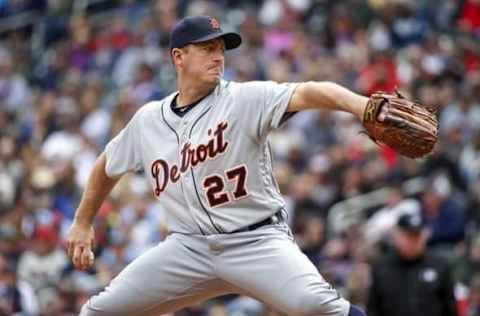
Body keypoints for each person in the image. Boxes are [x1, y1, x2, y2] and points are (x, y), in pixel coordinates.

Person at [67, 15, 376, 316]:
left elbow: (309, 91)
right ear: (179, 56)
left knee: (318, 307)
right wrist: (82, 222)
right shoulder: (148, 120)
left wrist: (363, 106)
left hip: (255, 241)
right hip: (187, 248)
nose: (218, 57)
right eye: (207, 49)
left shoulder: (243, 99)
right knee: (98, 312)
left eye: (220, 50)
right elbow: (106, 166)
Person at [367, 212, 458, 316]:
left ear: (425, 236)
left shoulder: (440, 266)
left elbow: (450, 308)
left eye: (416, 236)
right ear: (396, 235)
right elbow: (373, 309)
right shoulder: (381, 268)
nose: (412, 241)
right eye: (407, 236)